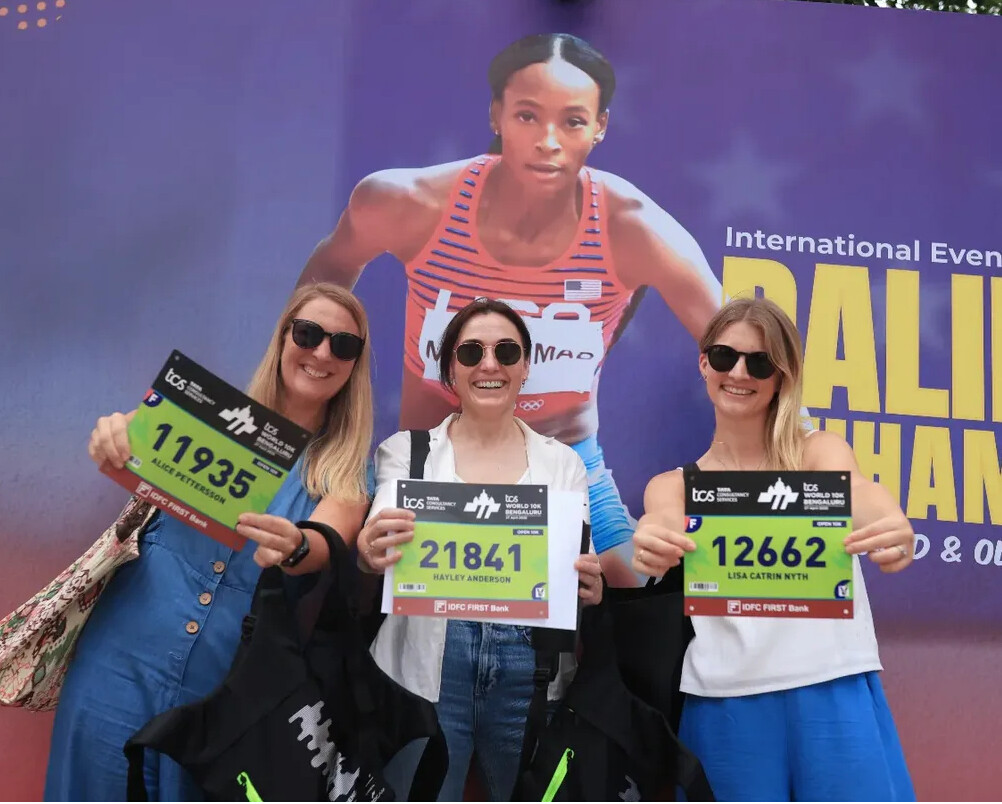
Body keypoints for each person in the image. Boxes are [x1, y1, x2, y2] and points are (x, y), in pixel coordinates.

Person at [297, 32, 722, 584]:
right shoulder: (409, 202)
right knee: (348, 578)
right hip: (427, 470)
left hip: (568, 469)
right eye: (527, 116)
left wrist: (797, 462)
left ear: (600, 126)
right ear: (496, 114)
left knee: (635, 590)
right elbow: (320, 292)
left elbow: (742, 342)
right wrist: (305, 410)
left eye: (572, 121)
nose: (548, 141)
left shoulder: (635, 227)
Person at [45, 283, 375, 801]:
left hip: (226, 687)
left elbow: (325, 541)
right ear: (283, 337)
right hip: (123, 653)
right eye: (308, 333)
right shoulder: (206, 416)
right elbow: (126, 439)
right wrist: (112, 435)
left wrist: (294, 545)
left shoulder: (347, 471)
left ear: (355, 365)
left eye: (344, 344)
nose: (321, 353)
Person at [631, 297, 915, 802]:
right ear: (704, 363)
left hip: (832, 685)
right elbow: (662, 523)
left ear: (782, 375)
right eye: (725, 356)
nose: (739, 373)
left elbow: (861, 495)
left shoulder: (818, 452)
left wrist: (892, 524)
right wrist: (655, 542)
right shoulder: (673, 485)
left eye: (760, 362)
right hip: (726, 701)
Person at [357, 298, 603, 801]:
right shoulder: (406, 453)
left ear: (526, 367)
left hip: (528, 672)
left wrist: (588, 586)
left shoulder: (564, 464)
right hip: (424, 670)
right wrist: (368, 552)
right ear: (450, 368)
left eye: (506, 351)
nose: (489, 364)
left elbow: (578, 568)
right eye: (471, 352)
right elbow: (376, 546)